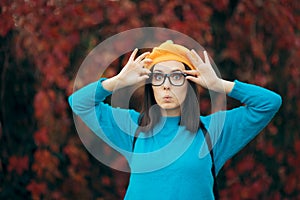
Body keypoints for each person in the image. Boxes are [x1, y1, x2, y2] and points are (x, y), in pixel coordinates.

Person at [68, 40, 282, 199]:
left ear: (189, 84)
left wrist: (219, 85)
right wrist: (116, 82)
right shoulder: (134, 128)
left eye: (177, 76)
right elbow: (78, 103)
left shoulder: (212, 132)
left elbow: (269, 103)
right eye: (158, 77)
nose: (166, 85)